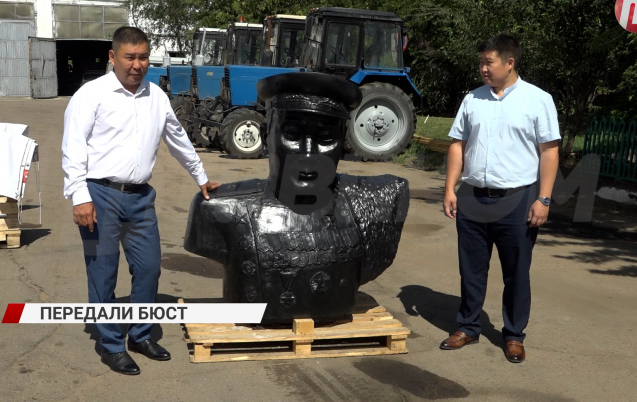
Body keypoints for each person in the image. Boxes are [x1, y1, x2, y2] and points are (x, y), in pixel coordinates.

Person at [184, 72, 409, 324]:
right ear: (266, 136)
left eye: (326, 138)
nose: (308, 154)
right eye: (292, 134)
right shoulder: (218, 210)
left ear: (342, 143)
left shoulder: (376, 202)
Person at [61, 26, 220, 375]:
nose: (137, 65)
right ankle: (111, 344)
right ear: (112, 57)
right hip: (99, 196)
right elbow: (73, 146)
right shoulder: (92, 94)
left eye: (143, 57)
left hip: (140, 199)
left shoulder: (156, 97)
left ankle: (140, 334)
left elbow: (177, 138)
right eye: (130, 57)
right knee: (103, 271)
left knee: (149, 267)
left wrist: (201, 176)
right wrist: (79, 196)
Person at [441, 34, 560, 363]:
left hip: (518, 199)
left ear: (509, 62)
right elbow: (457, 145)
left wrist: (544, 199)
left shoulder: (537, 100)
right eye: (480, 62)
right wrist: (450, 188)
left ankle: (513, 335)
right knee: (471, 270)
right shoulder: (473, 99)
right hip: (473, 197)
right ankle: (468, 326)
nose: (483, 68)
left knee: (516, 272)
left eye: (488, 62)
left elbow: (549, 152)